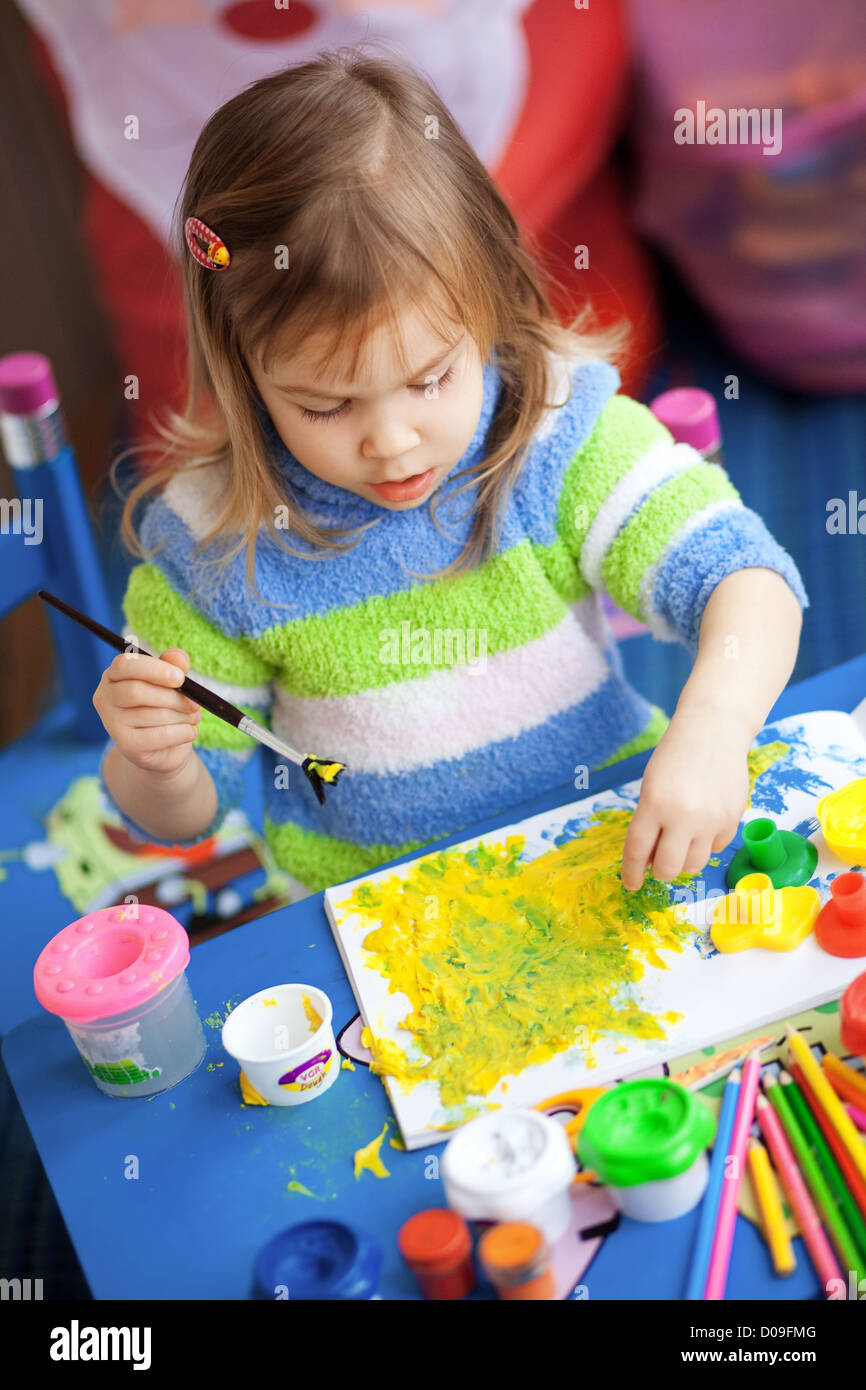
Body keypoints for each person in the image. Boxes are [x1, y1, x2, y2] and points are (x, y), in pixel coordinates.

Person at [94, 46, 807, 900]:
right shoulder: (218, 545)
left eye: (431, 378)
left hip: (607, 851)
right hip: (383, 913)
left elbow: (750, 582)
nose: (394, 442)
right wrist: (156, 763)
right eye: (326, 406)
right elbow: (183, 820)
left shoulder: (552, 439)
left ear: (488, 302)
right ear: (245, 379)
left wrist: (714, 730)